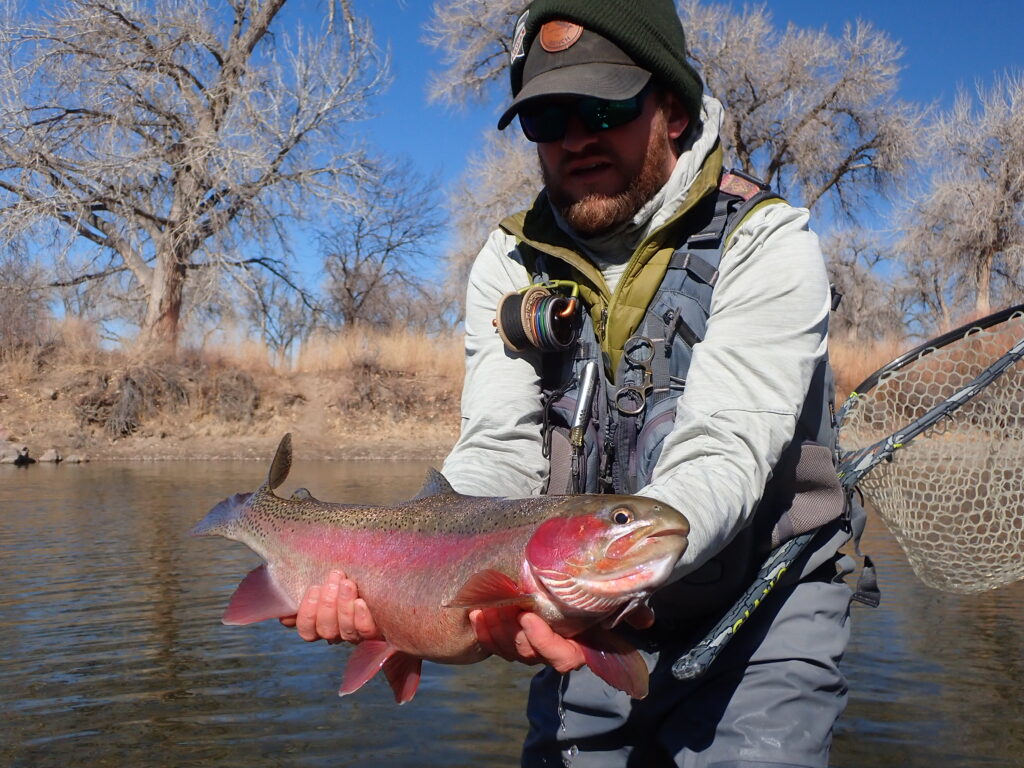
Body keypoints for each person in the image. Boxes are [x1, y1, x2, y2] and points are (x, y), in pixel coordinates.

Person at [282, 1, 856, 765]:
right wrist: (431, 577)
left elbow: (726, 452)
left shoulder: (770, 243)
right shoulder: (509, 263)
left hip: (761, 607)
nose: (576, 138)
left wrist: (602, 567)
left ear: (675, 111)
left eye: (606, 104)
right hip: (574, 601)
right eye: (547, 118)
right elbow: (497, 453)